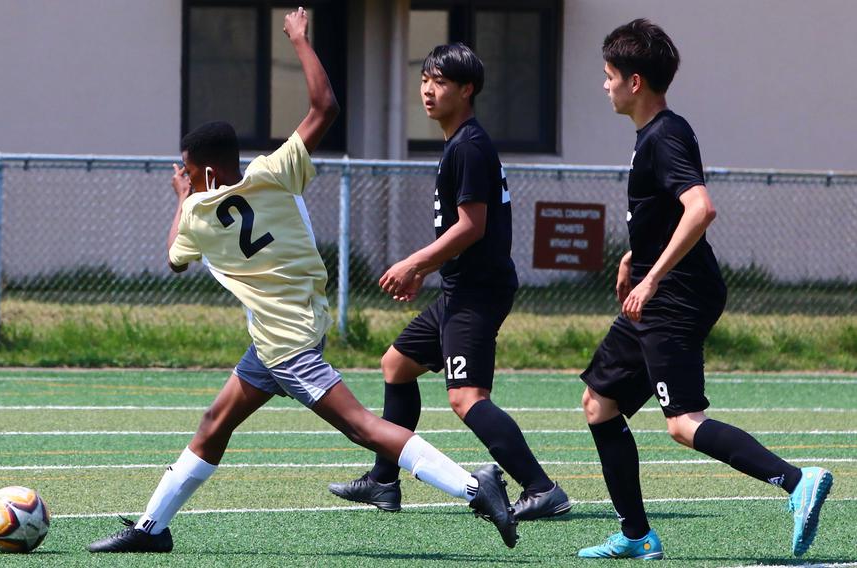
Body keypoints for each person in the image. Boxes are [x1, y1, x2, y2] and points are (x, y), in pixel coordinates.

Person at [87, 9, 518, 553]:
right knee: (215, 422)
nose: (187, 178)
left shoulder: (197, 213)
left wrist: (181, 198)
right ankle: (151, 528)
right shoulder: (273, 171)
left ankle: (478, 488)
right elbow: (326, 107)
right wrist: (299, 40)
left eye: (190, 170)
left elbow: (174, 259)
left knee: (362, 426)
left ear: (207, 174)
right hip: (283, 332)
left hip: (285, 342)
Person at [577, 19, 833, 560]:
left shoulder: (665, 134)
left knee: (682, 423)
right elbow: (668, 212)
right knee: (599, 404)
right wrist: (633, 256)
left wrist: (651, 277)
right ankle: (635, 533)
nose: (605, 85)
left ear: (636, 81)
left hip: (675, 296)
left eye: (609, 76)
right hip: (657, 290)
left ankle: (796, 481)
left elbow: (700, 209)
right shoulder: (655, 133)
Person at [328, 43, 570, 522]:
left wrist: (416, 264)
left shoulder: (469, 146)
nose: (427, 90)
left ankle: (542, 488)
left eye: (439, 82)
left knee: (466, 398)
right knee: (396, 365)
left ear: (467, 89)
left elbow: (471, 226)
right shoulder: (459, 143)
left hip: (478, 292)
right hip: (460, 288)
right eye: (424, 80)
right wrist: (433, 271)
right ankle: (382, 481)